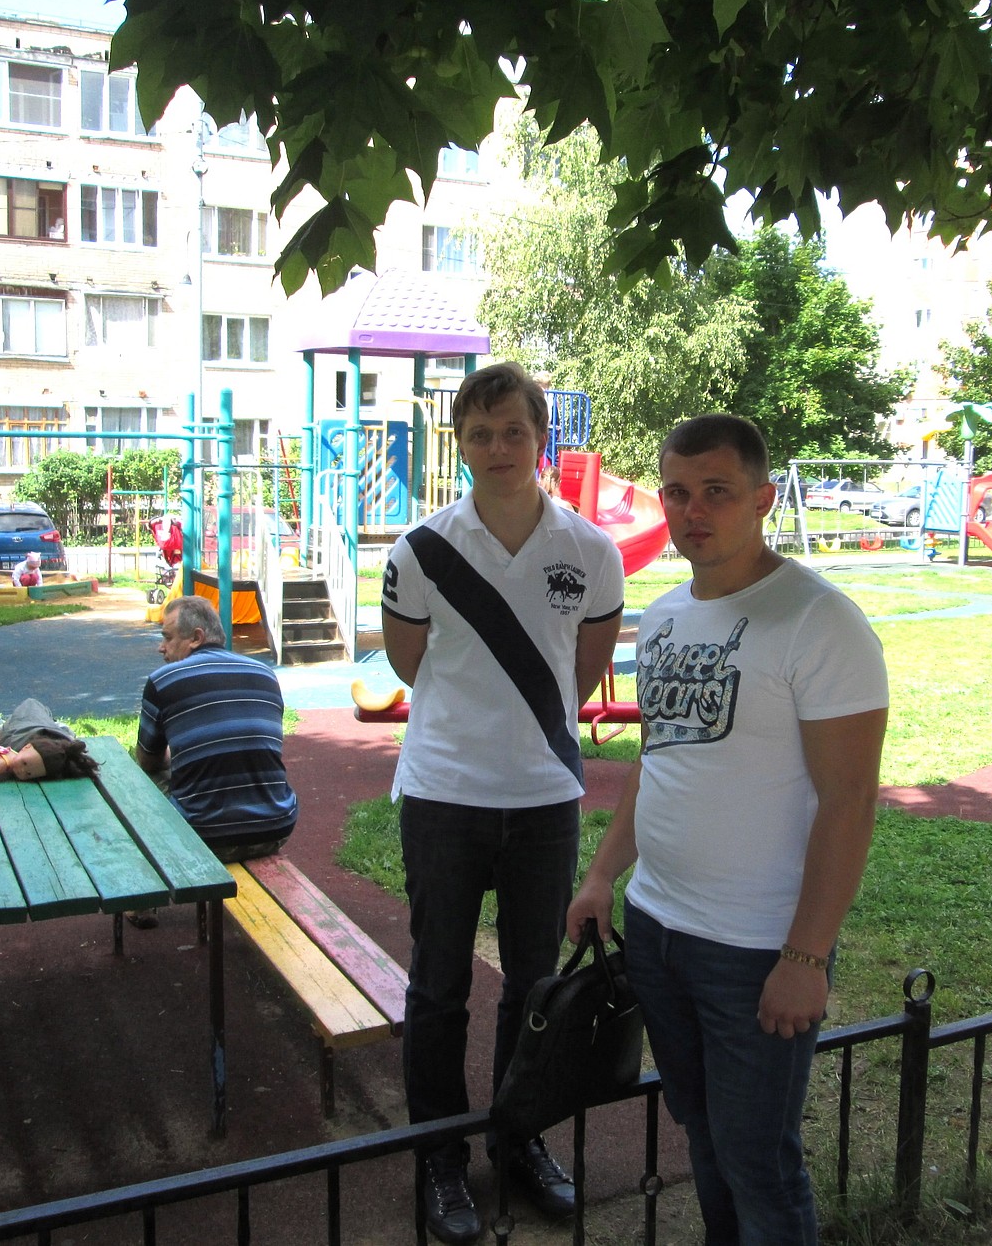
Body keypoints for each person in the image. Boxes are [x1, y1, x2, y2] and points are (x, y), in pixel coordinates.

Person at [566, 413, 888, 1246]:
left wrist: (805, 956)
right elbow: (658, 758)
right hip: (657, 929)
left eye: (716, 491)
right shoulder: (664, 615)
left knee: (758, 1160)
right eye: (676, 492)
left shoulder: (817, 621)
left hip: (753, 947)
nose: (693, 510)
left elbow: (850, 800)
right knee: (703, 1135)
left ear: (762, 499)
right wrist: (602, 875)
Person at [380, 361, 624, 1243]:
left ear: (539, 438)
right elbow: (408, 663)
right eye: (479, 434)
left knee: (533, 986)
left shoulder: (590, 551)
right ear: (459, 444)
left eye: (512, 431)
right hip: (442, 794)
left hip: (543, 799)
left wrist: (525, 729)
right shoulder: (418, 551)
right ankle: (439, 1156)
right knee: (438, 987)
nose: (497, 449)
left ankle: (518, 1138)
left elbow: (584, 667)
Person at [136, 594, 298, 870]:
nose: (161, 648)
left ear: (196, 638)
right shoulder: (265, 674)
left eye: (168, 638)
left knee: (140, 777)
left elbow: (148, 761)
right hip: (276, 827)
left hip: (203, 836)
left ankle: (148, 879)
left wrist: (178, 760)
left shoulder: (163, 681)